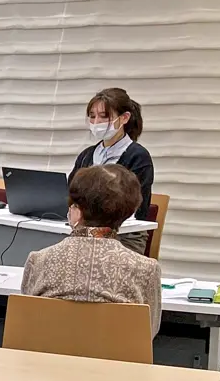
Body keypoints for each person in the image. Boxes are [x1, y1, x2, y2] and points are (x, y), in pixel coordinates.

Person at [21, 164, 161, 337]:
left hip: (48, 361)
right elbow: (148, 333)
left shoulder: (38, 260)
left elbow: (26, 324)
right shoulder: (146, 269)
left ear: (77, 211)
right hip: (116, 362)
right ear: (127, 213)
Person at [69, 88, 153, 254]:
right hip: (84, 233)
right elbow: (72, 195)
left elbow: (136, 207)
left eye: (104, 116)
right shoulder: (87, 155)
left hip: (125, 236)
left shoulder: (138, 156)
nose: (96, 121)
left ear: (124, 118)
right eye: (92, 116)